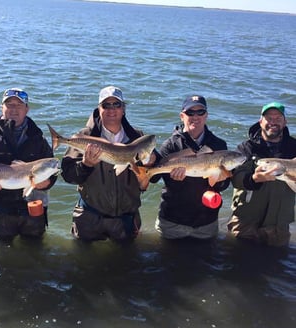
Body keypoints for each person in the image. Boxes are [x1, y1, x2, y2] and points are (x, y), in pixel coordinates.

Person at [60, 85, 155, 242]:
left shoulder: (138, 137)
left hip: (126, 219)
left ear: (123, 109)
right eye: (106, 105)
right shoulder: (84, 137)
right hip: (89, 217)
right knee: (84, 263)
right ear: (99, 109)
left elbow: (154, 176)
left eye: (116, 104)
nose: (112, 109)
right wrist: (85, 165)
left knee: (128, 263)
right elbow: (68, 175)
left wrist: (150, 164)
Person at [151, 95, 230, 240]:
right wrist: (174, 179)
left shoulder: (219, 145)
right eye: (190, 113)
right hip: (172, 222)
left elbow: (223, 186)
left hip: (206, 222)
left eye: (200, 112)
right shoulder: (170, 145)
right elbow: (159, 179)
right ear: (182, 116)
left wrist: (222, 179)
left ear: (206, 115)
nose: (195, 117)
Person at [0, 88, 57, 241]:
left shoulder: (38, 139)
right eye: (9, 105)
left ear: (27, 109)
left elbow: (53, 171)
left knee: (34, 253)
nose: (14, 109)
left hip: (32, 208)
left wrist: (47, 183)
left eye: (19, 105)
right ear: (1, 108)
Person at [227, 102, 296, 247]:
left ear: (285, 122)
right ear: (261, 121)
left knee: (275, 266)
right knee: (236, 262)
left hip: (279, 223)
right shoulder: (246, 147)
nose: (273, 122)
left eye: (278, 119)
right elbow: (236, 178)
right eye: (269, 118)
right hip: (246, 220)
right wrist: (253, 179)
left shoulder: (293, 147)